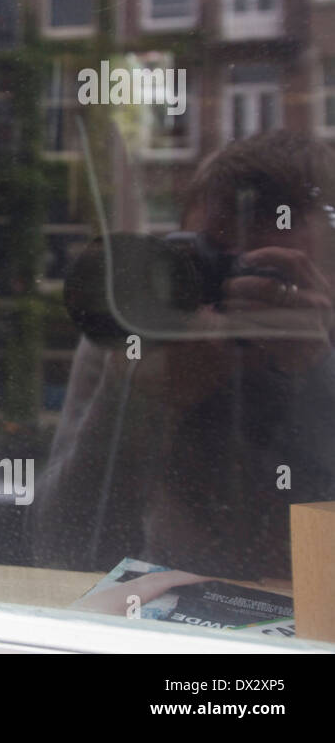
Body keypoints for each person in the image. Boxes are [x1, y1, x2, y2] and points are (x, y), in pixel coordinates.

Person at [33, 130, 335, 580]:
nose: (234, 296)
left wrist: (315, 372)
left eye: (270, 276)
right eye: (212, 266)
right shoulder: (143, 335)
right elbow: (61, 552)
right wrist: (137, 398)